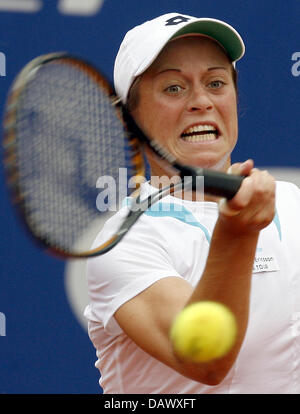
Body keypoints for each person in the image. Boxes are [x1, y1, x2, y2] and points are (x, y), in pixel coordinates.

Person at [84, 12, 300, 394]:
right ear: (128, 119)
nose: (201, 101)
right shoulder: (121, 243)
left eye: (216, 83)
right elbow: (206, 358)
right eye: (173, 88)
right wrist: (238, 230)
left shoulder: (292, 203)